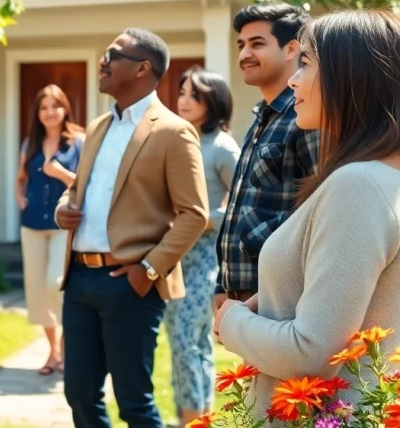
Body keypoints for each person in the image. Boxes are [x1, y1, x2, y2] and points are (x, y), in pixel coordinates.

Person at [214, 10, 400, 418]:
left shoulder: (359, 185)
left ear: (353, 77)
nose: (293, 79)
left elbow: (312, 352)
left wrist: (231, 320)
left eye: (305, 63)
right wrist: (266, 302)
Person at [55, 28, 210, 428]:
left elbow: (194, 213)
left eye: (113, 54)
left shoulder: (173, 132)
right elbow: (75, 189)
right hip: (79, 280)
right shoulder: (98, 128)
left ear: (143, 67)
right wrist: (62, 210)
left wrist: (149, 270)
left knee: (133, 403)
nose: (102, 61)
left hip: (129, 283)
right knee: (80, 396)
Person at [214, 3, 318, 311]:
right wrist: (225, 283)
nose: (245, 54)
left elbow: (321, 204)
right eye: (241, 45)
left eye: (257, 44)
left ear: (291, 49)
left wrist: (258, 244)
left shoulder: (307, 117)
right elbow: (242, 204)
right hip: (244, 292)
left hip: (280, 292)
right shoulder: (263, 116)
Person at [163, 67, 240, 428]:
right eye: (182, 93)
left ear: (214, 101)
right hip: (171, 258)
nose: (184, 101)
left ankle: (193, 420)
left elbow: (241, 208)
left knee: (186, 342)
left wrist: (199, 219)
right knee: (185, 344)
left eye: (194, 95)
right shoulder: (177, 140)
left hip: (205, 259)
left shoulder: (222, 147)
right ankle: (195, 419)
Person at [15, 84, 84, 376]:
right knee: (38, 291)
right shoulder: (30, 143)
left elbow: (86, 184)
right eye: (44, 107)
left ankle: (69, 350)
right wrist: (20, 199)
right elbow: (20, 178)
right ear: (38, 113)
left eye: (55, 106)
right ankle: (52, 352)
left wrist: (60, 173)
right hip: (32, 225)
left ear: (64, 108)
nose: (50, 112)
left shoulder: (78, 143)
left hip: (62, 226)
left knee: (56, 284)